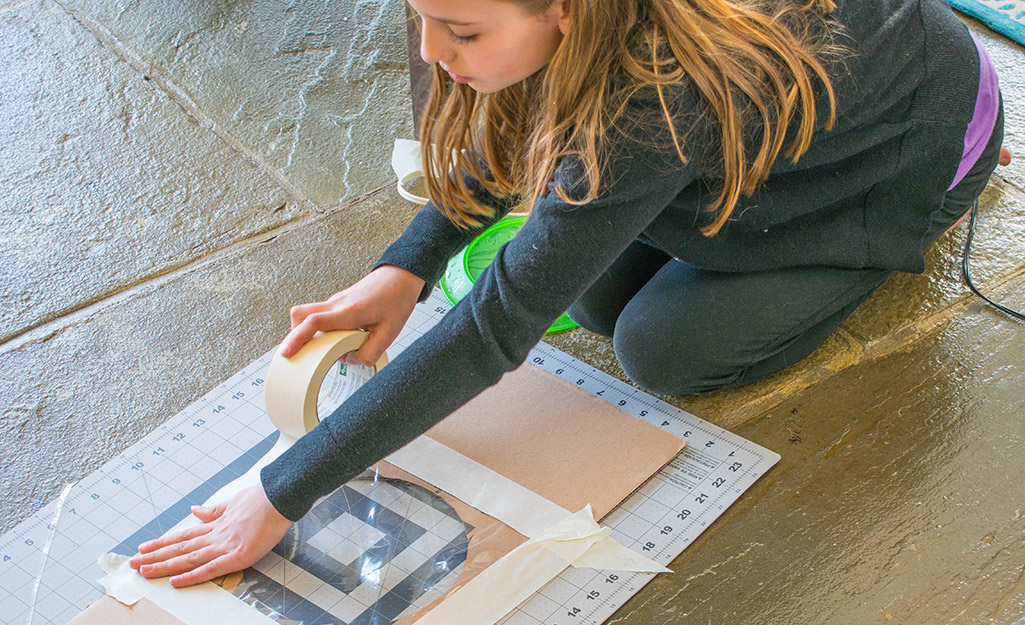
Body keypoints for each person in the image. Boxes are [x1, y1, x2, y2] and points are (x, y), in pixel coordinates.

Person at [130, 0, 1009, 587]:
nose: (434, 52)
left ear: (561, 10)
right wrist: (408, 263)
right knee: (591, 292)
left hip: (904, 149)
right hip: (830, 96)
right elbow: (518, 118)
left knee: (661, 347)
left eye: (461, 32)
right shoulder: (590, 30)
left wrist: (282, 489)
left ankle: (891, 224)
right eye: (421, 16)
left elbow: (489, 334)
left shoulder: (656, 100)